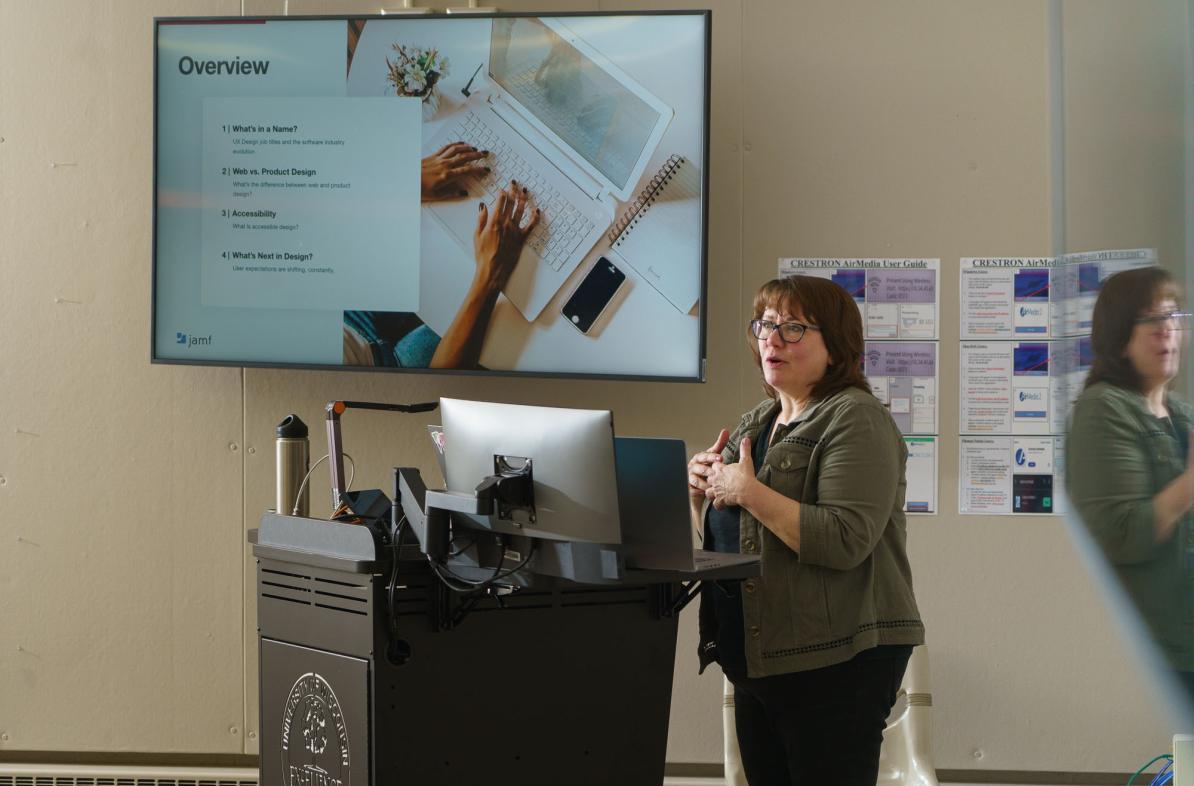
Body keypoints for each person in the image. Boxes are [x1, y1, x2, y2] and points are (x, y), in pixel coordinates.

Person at [686, 275, 924, 785]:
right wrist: (700, 495)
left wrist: (747, 490)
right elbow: (731, 536)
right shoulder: (757, 423)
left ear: (836, 347)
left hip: (839, 661)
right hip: (759, 657)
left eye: (793, 328)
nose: (772, 339)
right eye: (766, 325)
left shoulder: (856, 419)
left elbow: (844, 539)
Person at [1065, 266, 1194, 699]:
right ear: (1119, 337)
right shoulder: (1102, 410)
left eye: (1174, 316)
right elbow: (1120, 534)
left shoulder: (1182, 414)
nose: (1168, 331)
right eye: (1152, 320)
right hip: (1161, 652)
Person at [343, 169, 540, 370]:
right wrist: (491, 275)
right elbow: (441, 381)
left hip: (343, 311)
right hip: (385, 375)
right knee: (508, 320)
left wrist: (408, 183)